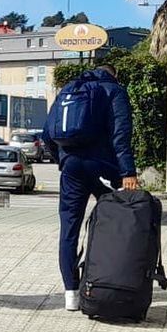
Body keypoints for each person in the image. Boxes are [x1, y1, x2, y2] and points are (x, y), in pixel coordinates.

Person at [53, 63, 139, 311]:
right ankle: (113, 280)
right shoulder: (114, 90)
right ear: (116, 73)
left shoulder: (70, 89)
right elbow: (121, 134)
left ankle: (71, 294)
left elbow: (49, 132)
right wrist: (128, 172)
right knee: (120, 222)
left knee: (69, 229)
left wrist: (64, 160)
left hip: (71, 166)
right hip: (103, 166)